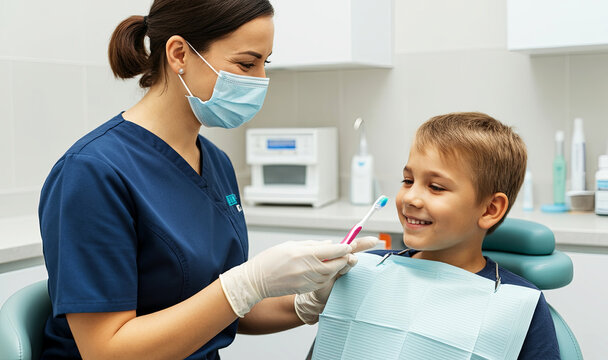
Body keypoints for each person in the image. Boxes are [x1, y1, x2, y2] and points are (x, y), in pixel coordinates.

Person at [38, 0, 376, 358]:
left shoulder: (215, 162)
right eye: (246, 63)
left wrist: (305, 303)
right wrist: (245, 284)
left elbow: (222, 307)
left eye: (265, 63)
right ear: (179, 53)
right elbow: (106, 350)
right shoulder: (92, 172)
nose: (261, 81)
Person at [314, 112, 560, 359]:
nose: (410, 197)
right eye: (408, 180)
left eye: (436, 187)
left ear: (489, 209)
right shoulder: (363, 269)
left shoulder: (519, 304)